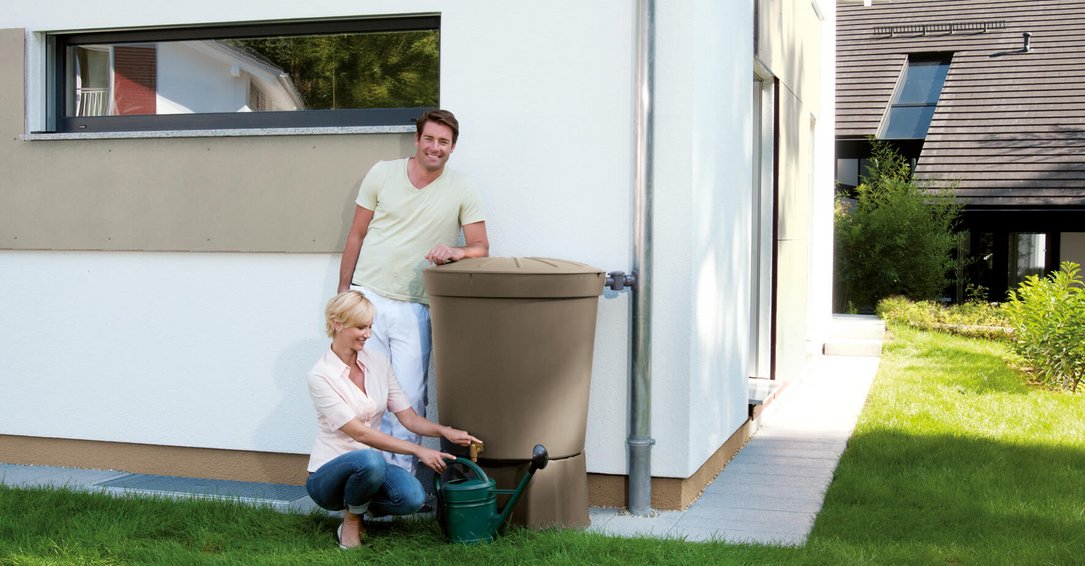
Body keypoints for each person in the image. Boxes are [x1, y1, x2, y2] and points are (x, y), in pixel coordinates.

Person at [337, 109, 489, 475]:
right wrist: (344, 291)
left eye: (444, 142)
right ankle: (366, 476)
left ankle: (401, 484)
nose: (435, 148)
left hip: (414, 306)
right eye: (429, 139)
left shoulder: (462, 188)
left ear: (452, 148)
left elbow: (481, 246)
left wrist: (457, 252)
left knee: (409, 396)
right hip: (367, 298)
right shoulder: (382, 173)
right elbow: (356, 234)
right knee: (365, 394)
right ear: (417, 140)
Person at [305, 290, 481, 548]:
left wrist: (444, 431)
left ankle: (358, 505)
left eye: (370, 327)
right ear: (337, 323)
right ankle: (352, 521)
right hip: (328, 475)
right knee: (370, 458)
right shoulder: (321, 375)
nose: (367, 334)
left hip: (371, 468)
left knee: (412, 496)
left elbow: (408, 418)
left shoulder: (377, 362)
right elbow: (360, 433)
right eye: (361, 327)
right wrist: (418, 450)